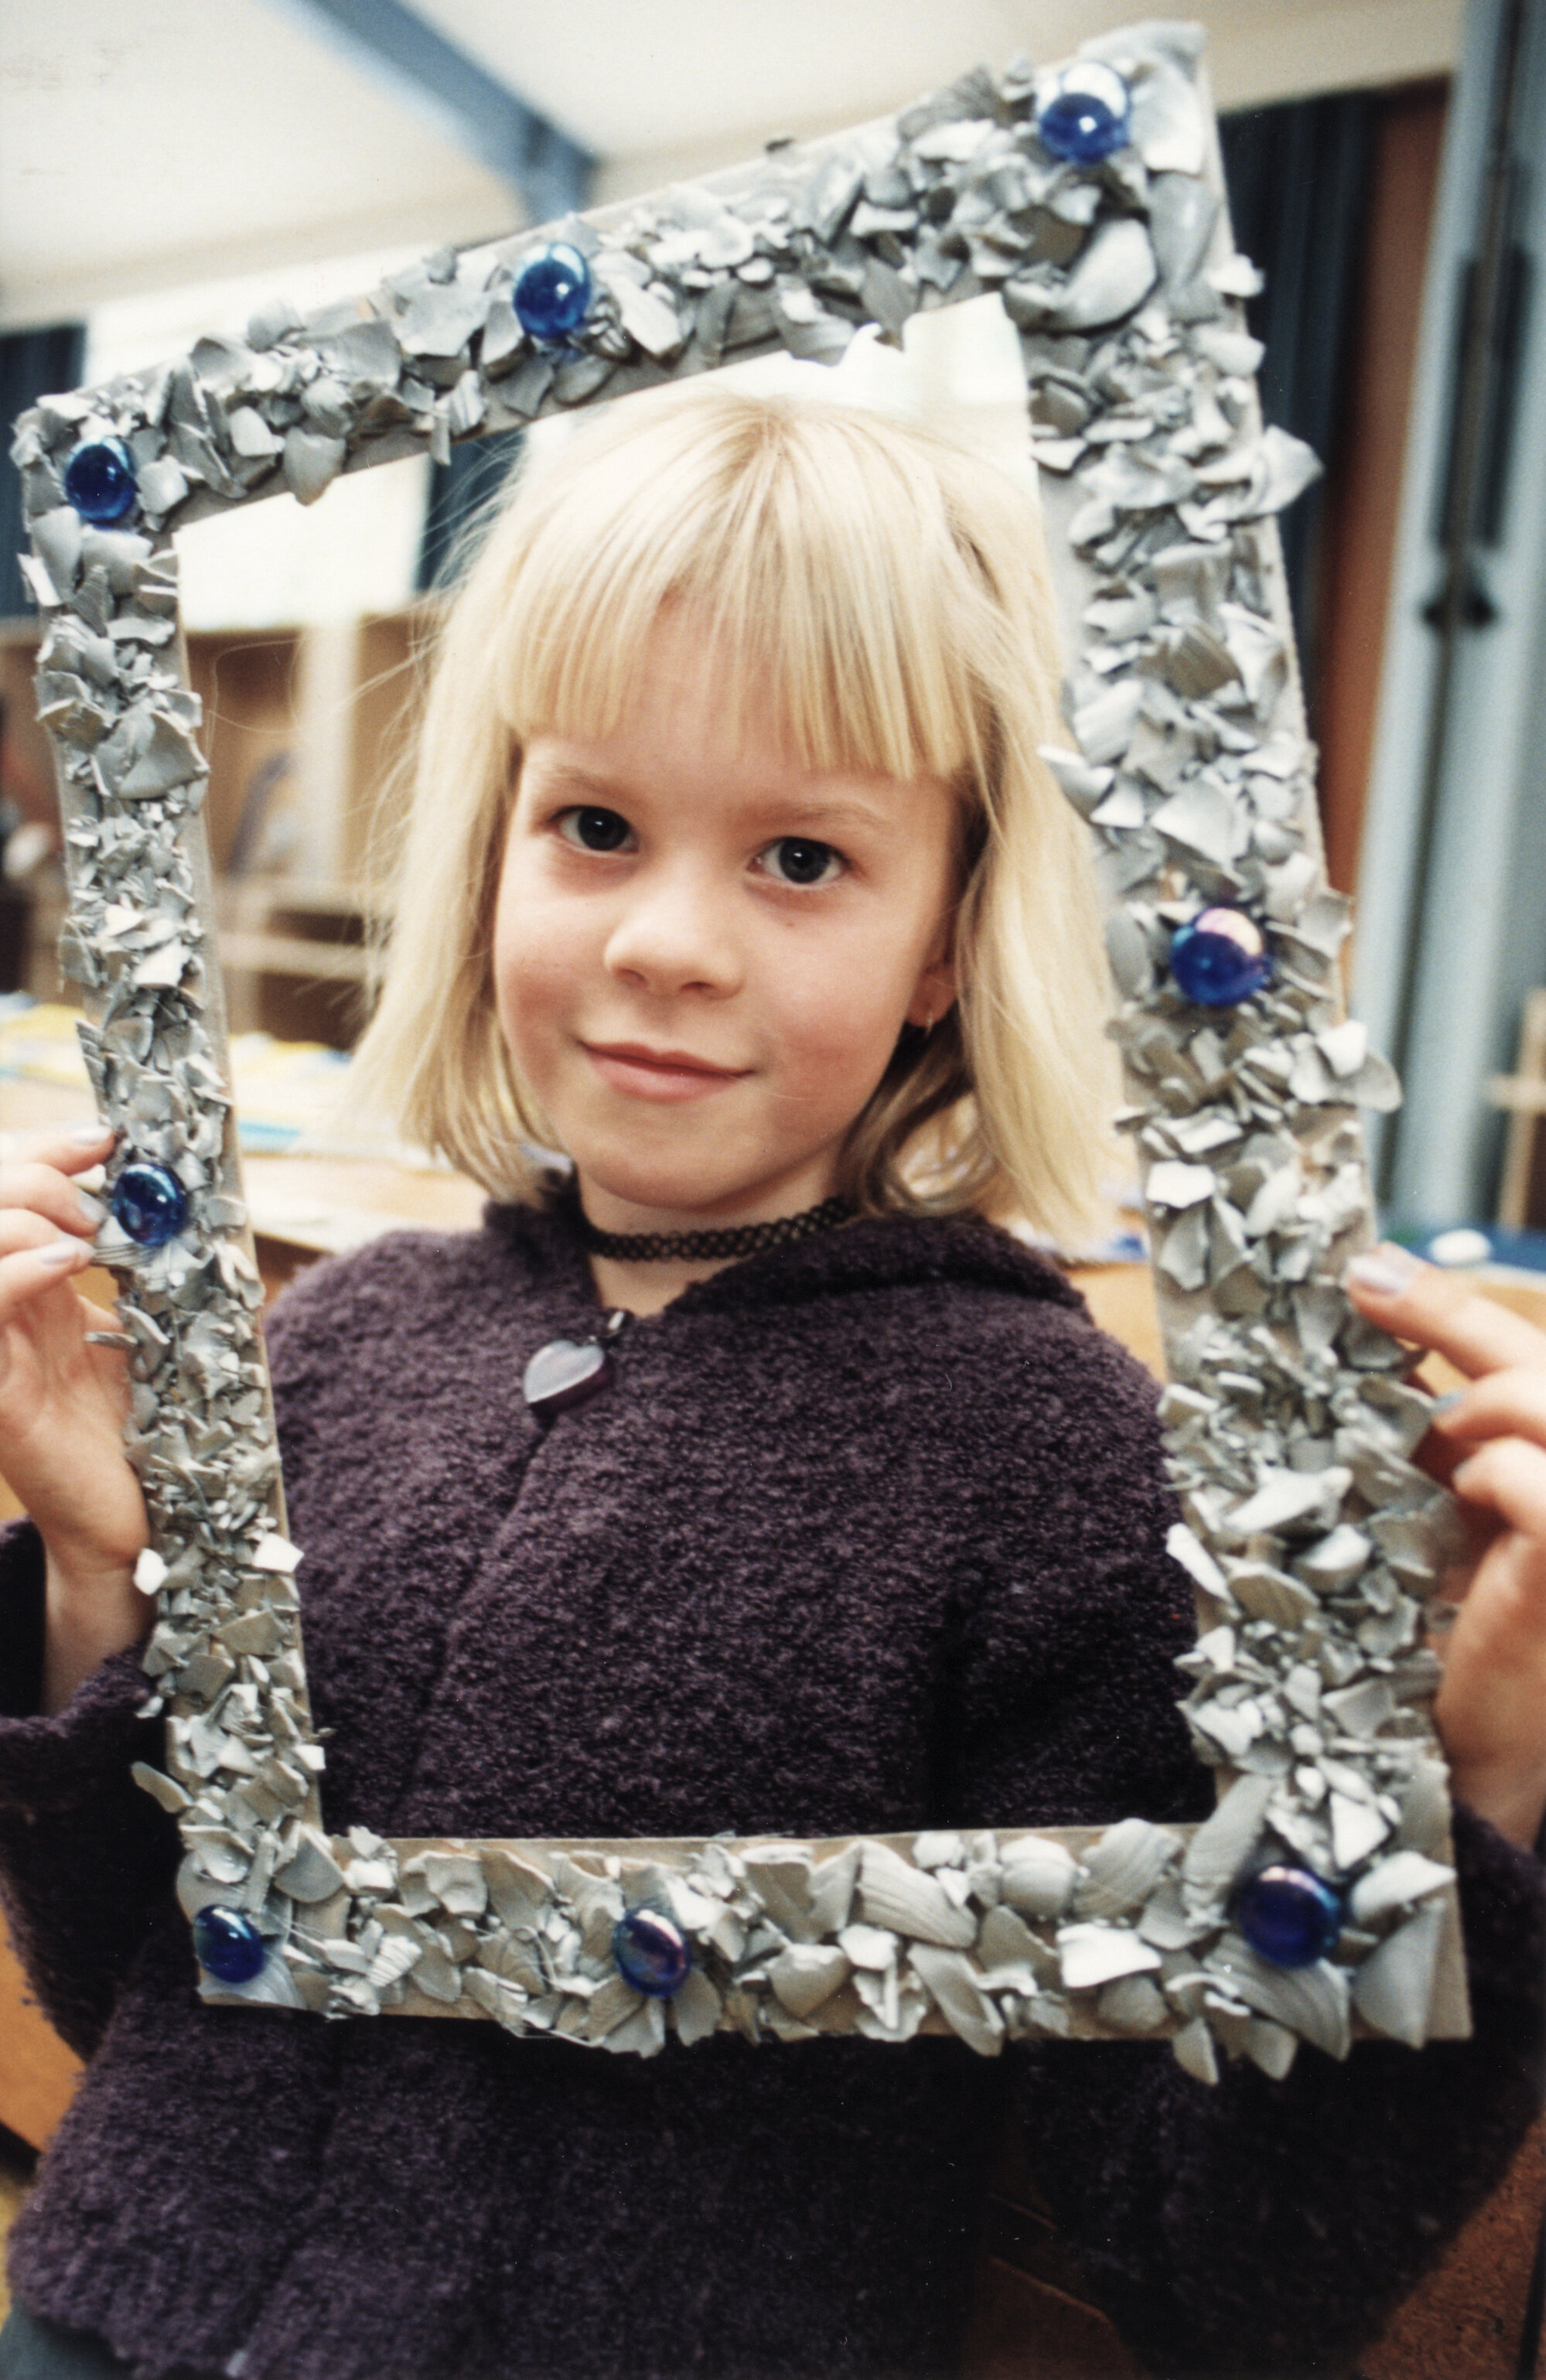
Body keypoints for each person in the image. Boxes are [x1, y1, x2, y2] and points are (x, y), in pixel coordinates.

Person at [0, 388, 1543, 2380]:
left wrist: (1479, 1791)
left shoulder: (1052, 1466)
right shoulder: (344, 1335)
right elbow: (135, 1965)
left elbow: (1221, 2265)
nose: (665, 941)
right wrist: (101, 1564)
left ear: (945, 939)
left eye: (804, 856)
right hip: (95, 2315)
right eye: (596, 826)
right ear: (491, 850)